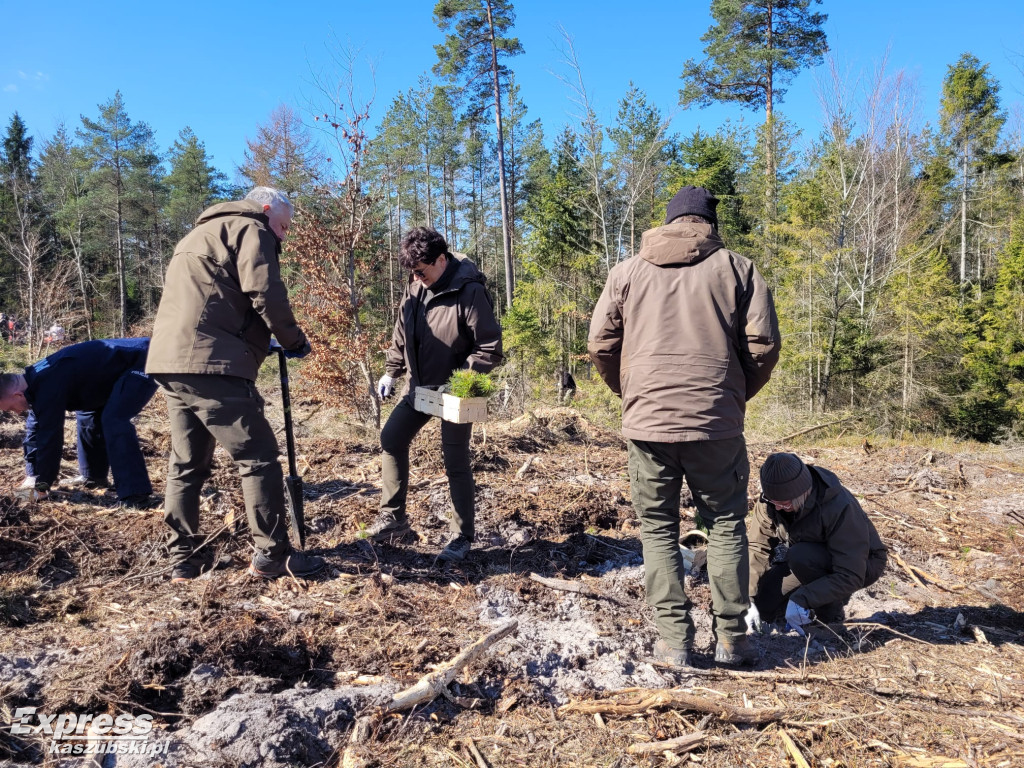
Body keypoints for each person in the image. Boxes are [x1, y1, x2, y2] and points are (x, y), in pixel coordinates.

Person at [588, 185, 781, 667]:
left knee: (656, 529)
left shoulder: (627, 271)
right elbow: (763, 345)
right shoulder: (738, 269)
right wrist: (730, 397)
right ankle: (732, 641)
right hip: (717, 425)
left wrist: (632, 393)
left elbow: (600, 344)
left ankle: (675, 642)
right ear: (709, 225)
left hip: (648, 423)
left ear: (669, 221)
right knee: (725, 526)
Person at [146, 186, 323, 583]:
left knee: (187, 463)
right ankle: (272, 555)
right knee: (258, 456)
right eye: (282, 226)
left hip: (172, 362)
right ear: (264, 210)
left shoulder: (195, 236)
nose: (283, 236)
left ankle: (181, 559)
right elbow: (265, 292)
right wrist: (295, 341)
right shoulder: (250, 228)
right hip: (214, 364)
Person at [368, 226, 503, 562]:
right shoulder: (415, 289)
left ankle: (462, 537)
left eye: (422, 271)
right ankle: (393, 519)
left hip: (459, 393)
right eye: (412, 272)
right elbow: (402, 335)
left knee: (455, 461)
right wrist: (390, 370)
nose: (417, 277)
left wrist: (462, 384)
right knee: (391, 439)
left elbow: (489, 347)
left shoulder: (469, 291)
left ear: (441, 260)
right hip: (420, 388)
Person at [0, 338, 158, 506]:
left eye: (10, 409)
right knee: (87, 412)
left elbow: (50, 440)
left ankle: (136, 495)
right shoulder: (33, 382)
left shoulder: (48, 387)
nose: (16, 412)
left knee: (114, 419)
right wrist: (32, 474)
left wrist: (41, 486)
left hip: (143, 359)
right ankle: (94, 476)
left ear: (17, 395)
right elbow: (34, 428)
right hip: (109, 373)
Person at [747, 453, 888, 634]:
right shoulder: (770, 502)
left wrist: (802, 599)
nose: (778, 508)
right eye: (772, 501)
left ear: (802, 493)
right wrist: (746, 598)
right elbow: (757, 547)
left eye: (784, 504)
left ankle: (829, 617)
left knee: (800, 556)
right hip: (808, 558)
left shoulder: (838, 506)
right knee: (764, 602)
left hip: (860, 564)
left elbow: (850, 574)